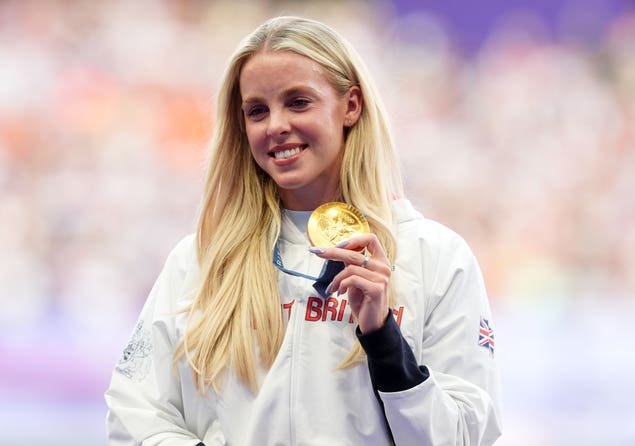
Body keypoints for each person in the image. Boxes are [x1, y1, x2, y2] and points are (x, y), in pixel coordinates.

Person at [105, 15, 502, 445]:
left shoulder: (435, 256)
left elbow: (465, 437)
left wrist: (384, 340)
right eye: (257, 110)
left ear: (351, 106)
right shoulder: (200, 261)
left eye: (298, 102)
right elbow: (136, 416)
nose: (275, 125)